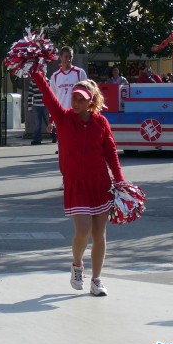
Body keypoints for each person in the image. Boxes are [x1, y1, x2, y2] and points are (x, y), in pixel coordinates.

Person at [30, 68, 125, 296]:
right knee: (83, 230)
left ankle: (97, 279)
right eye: (73, 97)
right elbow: (48, 94)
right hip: (76, 183)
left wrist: (120, 181)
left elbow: (111, 153)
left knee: (99, 234)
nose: (75, 101)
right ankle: (77, 265)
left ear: (90, 101)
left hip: (100, 184)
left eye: (80, 98)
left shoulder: (101, 123)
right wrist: (36, 73)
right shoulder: (63, 120)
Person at [48, 46, 87, 189]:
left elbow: (88, 93)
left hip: (78, 116)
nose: (68, 59)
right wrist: (51, 120)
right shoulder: (55, 76)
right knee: (64, 151)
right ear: (60, 58)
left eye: (70, 56)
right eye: (65, 56)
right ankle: (66, 178)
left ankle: (81, 177)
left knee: (79, 149)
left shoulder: (79, 73)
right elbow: (52, 100)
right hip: (62, 118)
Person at [27, 72, 49, 145]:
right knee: (37, 123)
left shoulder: (48, 81)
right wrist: (30, 106)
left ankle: (54, 136)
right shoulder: (33, 82)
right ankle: (37, 139)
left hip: (46, 105)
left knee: (49, 122)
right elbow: (30, 94)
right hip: (36, 105)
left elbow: (51, 94)